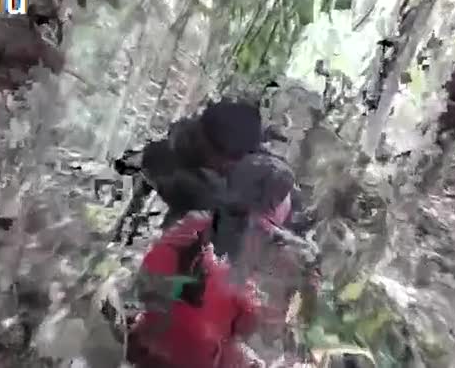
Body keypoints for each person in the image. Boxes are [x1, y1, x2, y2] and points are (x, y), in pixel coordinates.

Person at [127, 153, 319, 367]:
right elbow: (244, 327)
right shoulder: (237, 263)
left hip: (149, 347)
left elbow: (146, 284)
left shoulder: (194, 226)